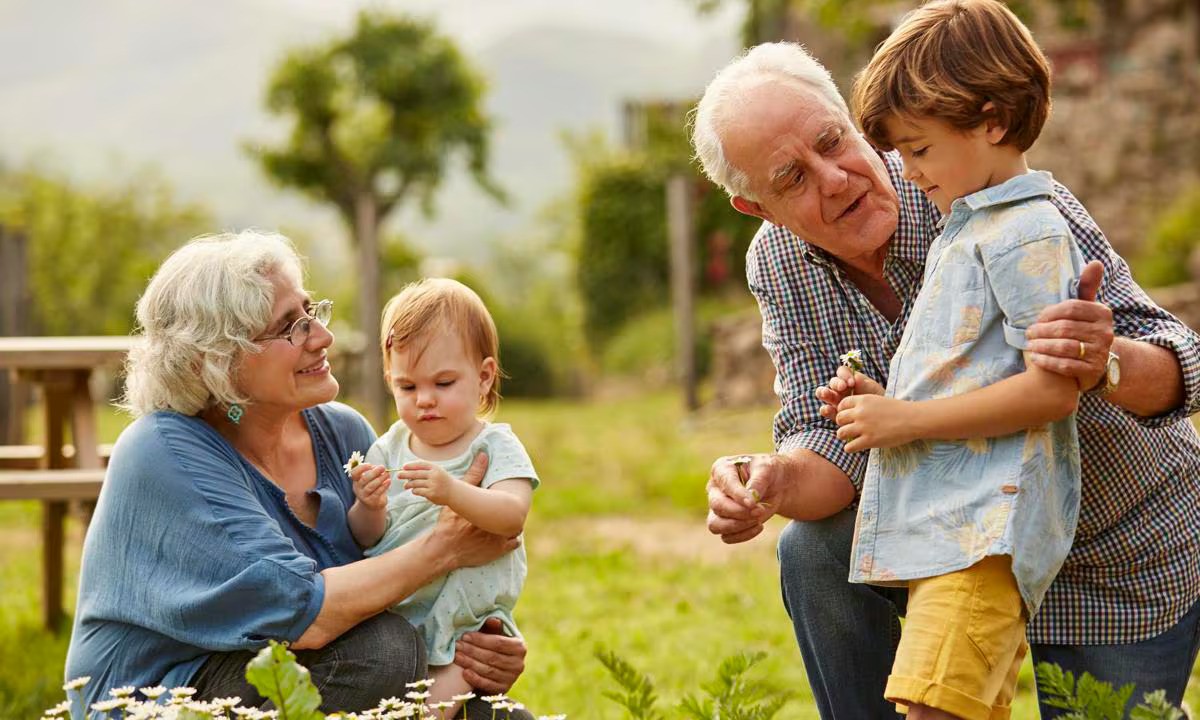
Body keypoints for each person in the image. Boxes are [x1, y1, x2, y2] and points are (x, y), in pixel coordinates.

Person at [691, 33, 1200, 720]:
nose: (836, 178)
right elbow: (829, 440)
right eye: (793, 179)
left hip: (1110, 548)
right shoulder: (779, 263)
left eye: (833, 142)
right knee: (811, 550)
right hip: (956, 542)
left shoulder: (977, 181)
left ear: (853, 118)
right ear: (757, 207)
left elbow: (1176, 360)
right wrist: (776, 479)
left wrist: (1102, 361)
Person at [64, 231, 533, 720]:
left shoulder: (343, 430)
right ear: (218, 360)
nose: (323, 337)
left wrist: (480, 643)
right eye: (291, 327)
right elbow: (306, 615)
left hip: (307, 667)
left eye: (312, 313)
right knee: (382, 652)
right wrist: (447, 547)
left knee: (501, 717)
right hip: (172, 694)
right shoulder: (162, 451)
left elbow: (392, 569)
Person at [810, 2, 1084, 716]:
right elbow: (970, 370)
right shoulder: (968, 226)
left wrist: (908, 420)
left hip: (983, 537)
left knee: (927, 709)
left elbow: (1052, 393)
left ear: (992, 121)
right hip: (948, 532)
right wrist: (881, 400)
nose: (908, 171)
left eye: (921, 149)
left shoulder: (1027, 231)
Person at [347, 278, 538, 715]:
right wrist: (369, 506)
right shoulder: (388, 446)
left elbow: (511, 516)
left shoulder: (494, 447)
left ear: (484, 377)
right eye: (408, 388)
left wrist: (452, 491)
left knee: (427, 709)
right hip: (399, 613)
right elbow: (365, 537)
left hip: (464, 625)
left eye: (444, 382)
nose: (425, 401)